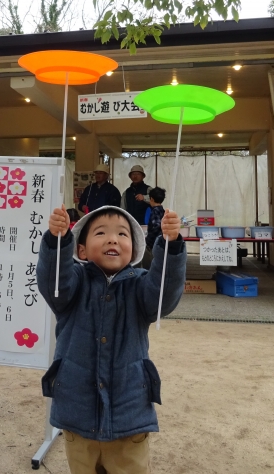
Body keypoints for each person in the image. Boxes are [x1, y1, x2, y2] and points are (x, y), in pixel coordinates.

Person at [37, 204, 186, 474]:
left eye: (122, 234)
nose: (112, 239)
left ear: (133, 250)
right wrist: (57, 242)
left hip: (130, 414)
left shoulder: (141, 286)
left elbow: (165, 292)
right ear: (81, 250)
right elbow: (52, 282)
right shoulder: (72, 284)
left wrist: (171, 247)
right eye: (101, 233)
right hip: (77, 412)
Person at [142, 187, 166, 269]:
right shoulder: (162, 210)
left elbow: (156, 226)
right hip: (161, 243)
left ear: (151, 199)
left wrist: (148, 240)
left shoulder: (155, 211)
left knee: (149, 265)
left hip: (153, 243)